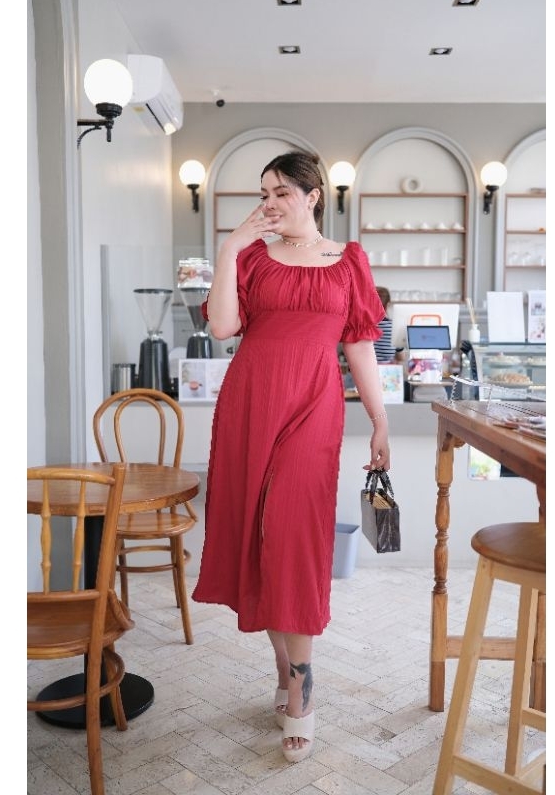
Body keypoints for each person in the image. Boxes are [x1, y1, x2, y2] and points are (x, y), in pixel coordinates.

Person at [192, 150, 390, 763]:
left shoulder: (348, 260)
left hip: (314, 405)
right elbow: (222, 327)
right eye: (264, 193)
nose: (270, 203)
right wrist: (230, 247)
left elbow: (359, 344)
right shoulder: (251, 257)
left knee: (293, 535)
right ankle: (284, 667)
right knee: (259, 536)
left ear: (313, 195)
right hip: (252, 401)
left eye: (282, 192)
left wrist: (379, 419)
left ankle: (302, 691)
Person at [373, 286, 395, 363]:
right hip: (388, 368)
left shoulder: (363, 326)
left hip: (366, 368)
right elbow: (401, 357)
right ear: (388, 304)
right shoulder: (393, 327)